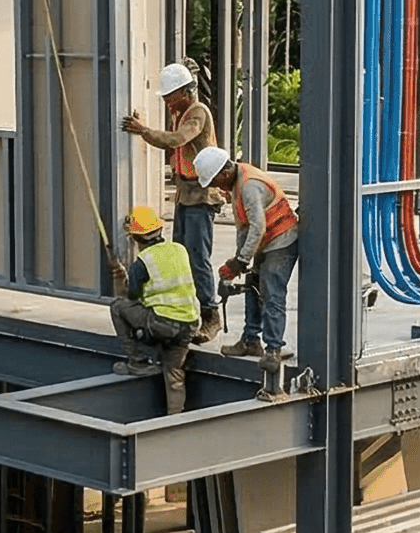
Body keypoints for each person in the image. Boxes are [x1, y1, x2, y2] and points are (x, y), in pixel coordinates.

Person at [121, 62, 223, 341]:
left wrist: (143, 130)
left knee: (197, 258)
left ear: (185, 93)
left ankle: (211, 315)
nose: (166, 102)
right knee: (180, 254)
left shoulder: (197, 113)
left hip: (201, 195)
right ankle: (188, 311)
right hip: (185, 193)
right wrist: (144, 126)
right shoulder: (180, 114)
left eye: (170, 96)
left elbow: (176, 140)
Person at [193, 145, 297, 360]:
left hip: (281, 239)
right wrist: (240, 258)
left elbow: (257, 227)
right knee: (253, 288)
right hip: (265, 241)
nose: (216, 187)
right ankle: (251, 341)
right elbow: (245, 227)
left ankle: (273, 350)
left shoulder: (249, 186)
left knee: (271, 293)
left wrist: (241, 260)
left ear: (224, 173)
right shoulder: (237, 182)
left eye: (215, 182)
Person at [107, 205, 200, 414]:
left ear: (136, 238)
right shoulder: (179, 249)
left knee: (118, 307)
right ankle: (174, 419)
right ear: (159, 230)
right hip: (189, 325)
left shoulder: (142, 262)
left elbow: (132, 297)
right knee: (174, 375)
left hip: (162, 324)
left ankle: (137, 361)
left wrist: (121, 278)